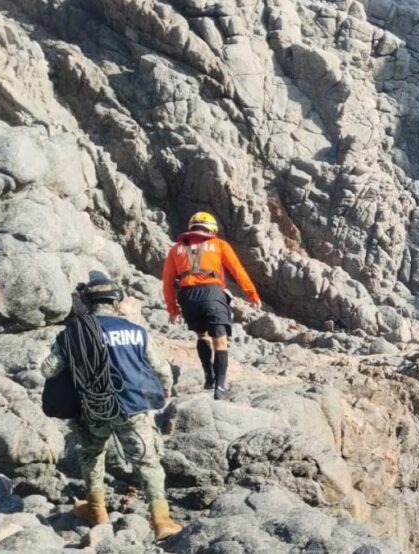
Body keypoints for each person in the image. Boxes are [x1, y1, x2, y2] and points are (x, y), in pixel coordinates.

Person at [41, 277, 183, 541]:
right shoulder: (136, 331)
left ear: (87, 302)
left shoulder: (72, 333)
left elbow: (48, 369)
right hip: (133, 407)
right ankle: (161, 521)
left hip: (93, 409)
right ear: (115, 301)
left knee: (92, 455)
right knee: (148, 462)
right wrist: (165, 388)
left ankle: (97, 511)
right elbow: (161, 367)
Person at [161, 211, 261, 400]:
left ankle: (209, 377)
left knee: (202, 335)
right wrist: (252, 293)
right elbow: (237, 270)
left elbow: (167, 282)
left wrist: (172, 309)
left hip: (187, 296)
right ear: (212, 228)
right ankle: (221, 388)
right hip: (211, 292)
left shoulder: (176, 249)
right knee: (220, 340)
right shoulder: (219, 244)